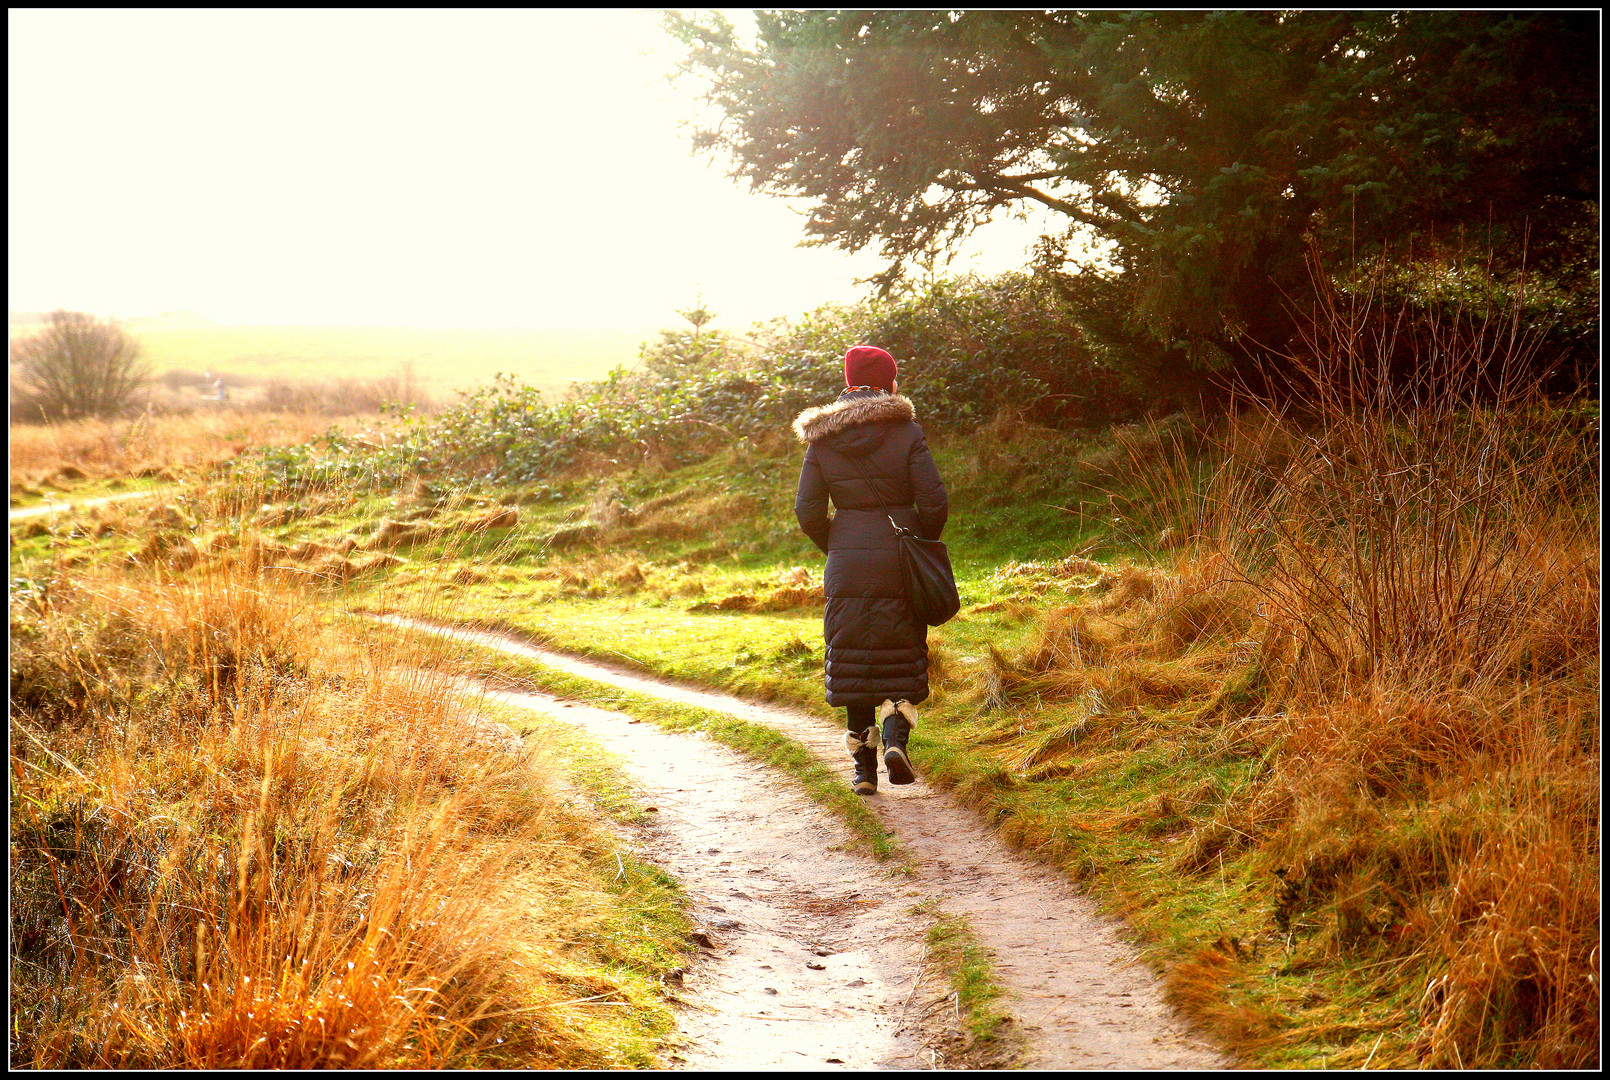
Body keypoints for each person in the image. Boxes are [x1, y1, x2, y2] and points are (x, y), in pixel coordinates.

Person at [793, 345, 949, 795]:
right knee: (899, 647)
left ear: (847, 382)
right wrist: (916, 543)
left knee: (851, 657)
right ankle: (896, 739)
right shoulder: (906, 431)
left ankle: (863, 771)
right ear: (889, 383)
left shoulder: (822, 437)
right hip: (898, 556)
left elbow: (807, 511)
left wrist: (837, 544)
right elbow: (934, 502)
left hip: (847, 559)